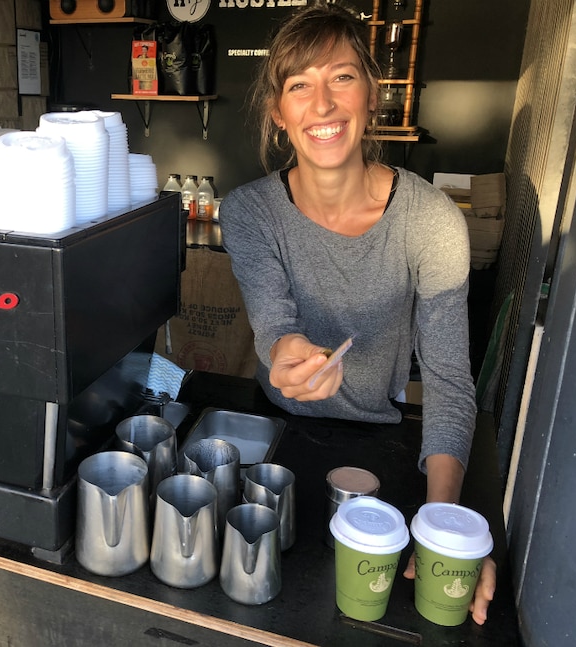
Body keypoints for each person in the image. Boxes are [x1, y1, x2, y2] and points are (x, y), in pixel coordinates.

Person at [219, 1, 496, 625]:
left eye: (341, 77)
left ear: (373, 95)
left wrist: (445, 527)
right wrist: (287, 354)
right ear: (278, 114)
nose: (322, 104)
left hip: (388, 444)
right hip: (279, 439)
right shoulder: (250, 212)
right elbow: (274, 324)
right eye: (299, 85)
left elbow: (451, 382)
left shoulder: (430, 221)